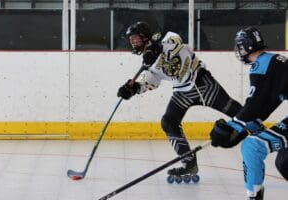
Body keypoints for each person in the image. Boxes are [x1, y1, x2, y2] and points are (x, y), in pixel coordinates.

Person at [117, 21, 242, 181]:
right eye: (130, 39)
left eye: (134, 38)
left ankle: (266, 134)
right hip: (182, 92)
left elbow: (175, 41)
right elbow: (151, 80)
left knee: (238, 113)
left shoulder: (164, 39)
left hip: (202, 83)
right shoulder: (147, 62)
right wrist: (133, 88)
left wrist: (157, 48)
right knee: (168, 122)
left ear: (144, 36)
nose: (132, 42)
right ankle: (189, 163)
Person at [210, 26, 288, 200]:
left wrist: (234, 125)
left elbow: (256, 102)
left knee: (253, 147)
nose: (238, 50)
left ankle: (253, 196)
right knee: (284, 161)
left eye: (240, 46)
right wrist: (246, 125)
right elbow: (267, 103)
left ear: (247, 46)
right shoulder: (273, 61)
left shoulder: (261, 63)